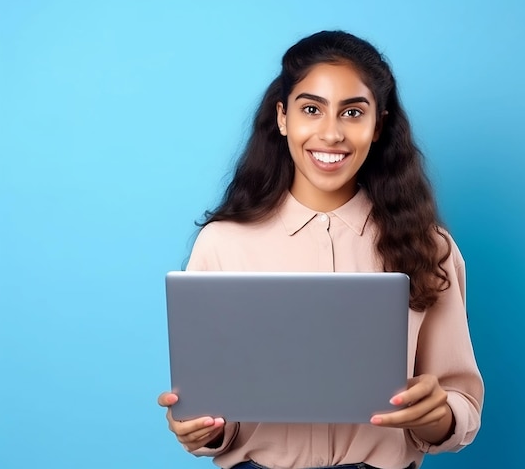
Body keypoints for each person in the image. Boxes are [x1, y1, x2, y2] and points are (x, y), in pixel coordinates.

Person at [158, 30, 484, 469]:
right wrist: (203, 428)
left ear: (378, 125)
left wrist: (438, 415)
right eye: (311, 109)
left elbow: (461, 402)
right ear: (283, 118)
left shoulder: (429, 246)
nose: (330, 134)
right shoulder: (222, 243)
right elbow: (215, 412)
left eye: (352, 112)